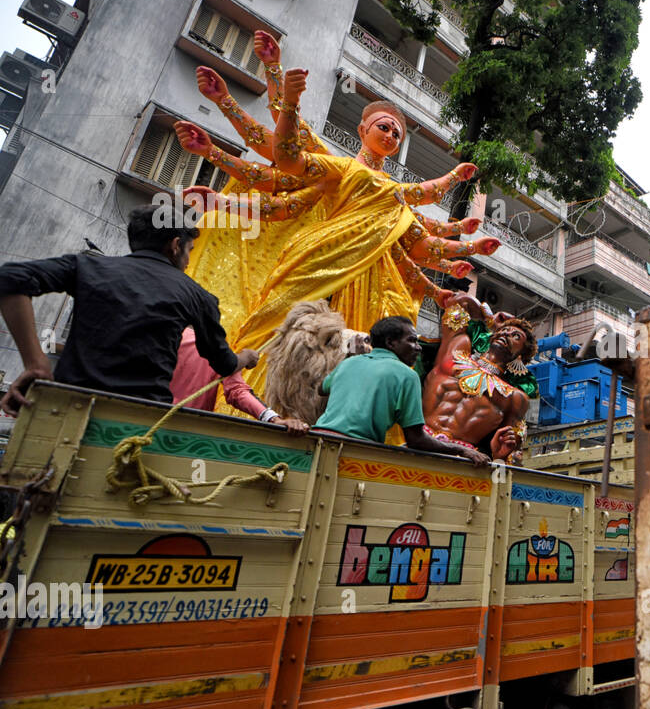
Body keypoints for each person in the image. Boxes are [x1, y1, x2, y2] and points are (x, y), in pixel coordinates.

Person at [167, 31, 499, 402]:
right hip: (318, 264)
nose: (390, 134)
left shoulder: (394, 197)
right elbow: (282, 166)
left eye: (396, 133)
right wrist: (257, 94)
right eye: (383, 127)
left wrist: (467, 247)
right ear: (362, 130)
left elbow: (419, 243)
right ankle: (259, 409)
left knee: (365, 361)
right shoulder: (338, 169)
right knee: (281, 335)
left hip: (371, 285)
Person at [0, 203, 256, 415]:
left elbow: (10, 278)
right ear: (176, 245)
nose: (188, 262)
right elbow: (223, 364)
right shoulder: (198, 296)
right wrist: (245, 358)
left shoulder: (88, 267)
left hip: (64, 408)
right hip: (140, 417)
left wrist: (36, 363)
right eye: (189, 251)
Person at [314, 315, 489, 464]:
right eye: (412, 340)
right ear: (390, 342)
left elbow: (322, 388)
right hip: (354, 453)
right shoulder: (407, 375)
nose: (419, 347)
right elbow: (415, 439)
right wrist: (460, 450)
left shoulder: (349, 362)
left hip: (314, 442)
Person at [423, 293, 537, 465]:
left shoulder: (514, 398)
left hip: (461, 460)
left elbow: (509, 451)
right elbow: (459, 301)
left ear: (521, 356)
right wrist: (490, 320)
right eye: (504, 330)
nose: (506, 334)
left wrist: (501, 452)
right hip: (416, 440)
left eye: (516, 336)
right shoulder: (457, 349)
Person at [171, 327, 308, 434]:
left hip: (152, 419)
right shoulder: (215, 349)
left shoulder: (156, 337)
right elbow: (237, 391)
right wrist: (274, 419)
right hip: (189, 433)